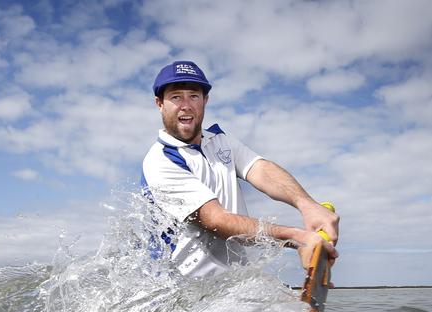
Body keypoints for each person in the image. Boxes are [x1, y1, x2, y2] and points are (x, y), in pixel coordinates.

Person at [142, 60, 339, 277]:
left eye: (194, 96)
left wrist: (308, 205)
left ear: (205, 100)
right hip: (181, 290)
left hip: (232, 281)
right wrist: (298, 238)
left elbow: (260, 170)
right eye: (176, 97)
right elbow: (216, 221)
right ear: (159, 103)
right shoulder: (160, 161)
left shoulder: (220, 139)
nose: (186, 105)